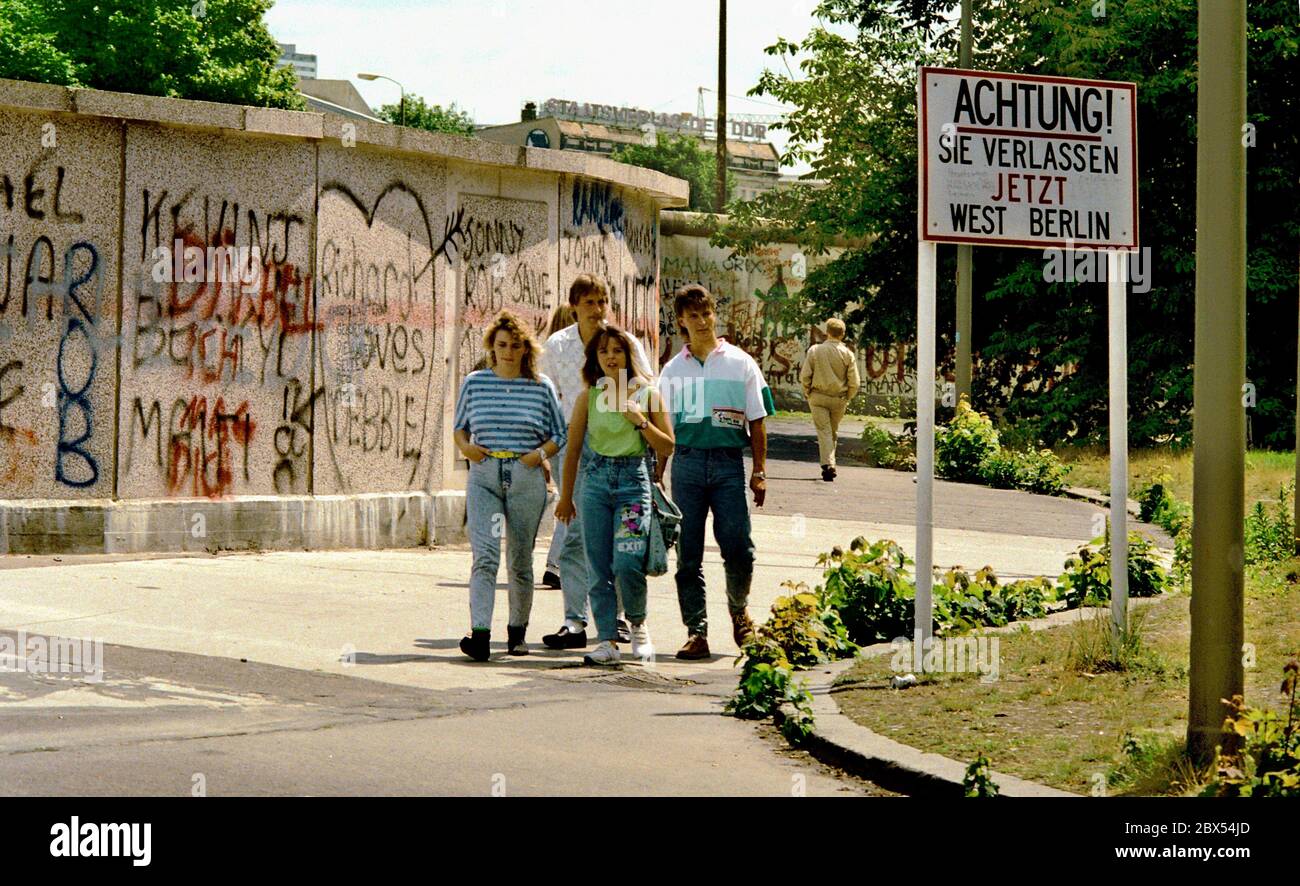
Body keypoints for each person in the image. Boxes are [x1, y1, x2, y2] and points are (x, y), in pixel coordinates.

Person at [657, 285, 774, 660]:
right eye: (693, 316)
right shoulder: (673, 370)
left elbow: (757, 420)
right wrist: (657, 476)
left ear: (714, 314)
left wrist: (760, 471)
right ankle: (697, 631)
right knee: (687, 553)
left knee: (738, 546)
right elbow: (664, 427)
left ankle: (739, 613)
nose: (702, 321)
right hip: (687, 464)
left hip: (727, 464)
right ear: (681, 322)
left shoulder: (741, 363)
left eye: (706, 313)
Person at [538, 275, 652, 650]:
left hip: (619, 445)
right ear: (574, 306)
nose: (597, 309)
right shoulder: (557, 345)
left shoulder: (624, 342)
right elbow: (548, 395)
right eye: (589, 302)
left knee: (621, 538)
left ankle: (618, 619)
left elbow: (647, 384)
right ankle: (574, 621)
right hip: (576, 443)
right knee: (573, 534)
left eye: (602, 301)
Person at [453, 311, 568, 662]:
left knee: (519, 559)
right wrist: (467, 449)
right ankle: (481, 634)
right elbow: (460, 427)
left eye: (515, 345)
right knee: (485, 556)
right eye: (501, 344)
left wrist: (539, 455)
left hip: (524, 478)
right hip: (485, 477)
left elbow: (560, 433)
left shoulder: (540, 385)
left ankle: (517, 633)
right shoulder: (475, 383)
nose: (508, 351)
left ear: (525, 349)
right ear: (492, 346)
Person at [556, 325, 674, 666]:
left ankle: (637, 623)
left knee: (627, 561)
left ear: (628, 356)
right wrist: (566, 498)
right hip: (595, 485)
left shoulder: (647, 395)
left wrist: (639, 421)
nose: (610, 356)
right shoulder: (587, 398)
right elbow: (573, 450)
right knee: (598, 566)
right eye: (603, 350)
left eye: (617, 350)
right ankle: (606, 639)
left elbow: (668, 445)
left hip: (632, 483)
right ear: (595, 357)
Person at [541, 303, 580, 589]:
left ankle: (556, 563)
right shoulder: (562, 354)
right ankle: (557, 564)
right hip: (569, 434)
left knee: (570, 500)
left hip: (554, 437)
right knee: (575, 502)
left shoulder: (548, 353)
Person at [799, 318, 861, 482]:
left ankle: (828, 465)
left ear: (827, 332)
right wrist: (848, 396)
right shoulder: (848, 354)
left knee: (824, 431)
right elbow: (854, 382)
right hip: (839, 398)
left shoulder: (815, 350)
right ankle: (830, 463)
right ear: (843, 334)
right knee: (832, 432)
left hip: (818, 396)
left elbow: (805, 375)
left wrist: (807, 392)